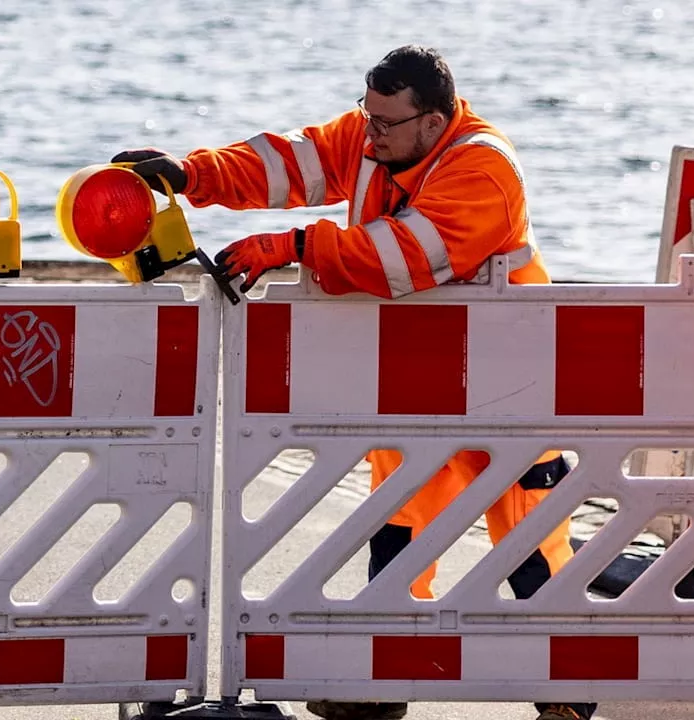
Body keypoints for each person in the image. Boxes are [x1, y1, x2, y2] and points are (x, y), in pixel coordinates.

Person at [112, 46, 595, 720]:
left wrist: (296, 246)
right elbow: (287, 162)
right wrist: (191, 174)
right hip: (422, 381)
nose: (368, 136)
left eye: (384, 124)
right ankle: (380, 683)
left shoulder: (484, 167)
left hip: (506, 384)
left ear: (432, 121)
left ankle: (567, 696)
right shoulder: (376, 138)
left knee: (527, 536)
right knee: (398, 525)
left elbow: (404, 258)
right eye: (367, 117)